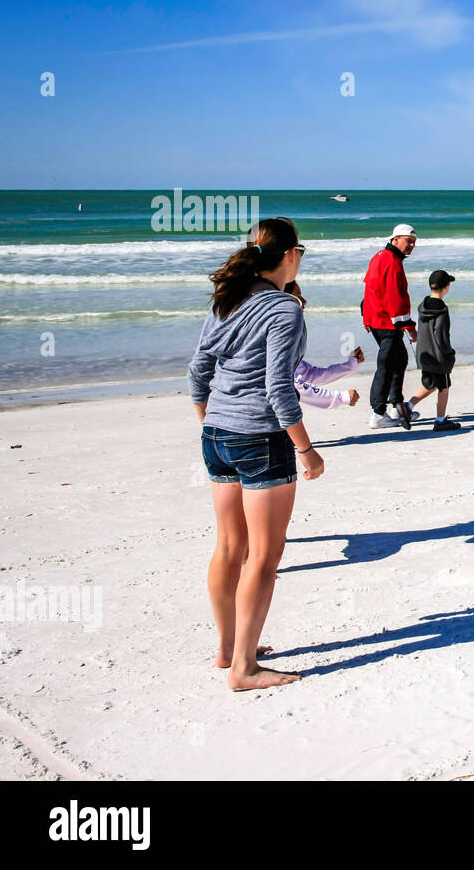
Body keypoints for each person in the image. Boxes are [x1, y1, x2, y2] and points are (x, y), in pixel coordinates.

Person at [188, 217, 319, 691]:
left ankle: (227, 649)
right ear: (290, 255)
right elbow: (279, 390)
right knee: (263, 555)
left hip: (218, 434)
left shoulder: (229, 298)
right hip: (262, 438)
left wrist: (213, 421)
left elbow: (197, 372)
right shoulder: (283, 309)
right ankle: (244, 668)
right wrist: (308, 450)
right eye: (300, 250)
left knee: (229, 547)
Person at [362, 223, 418, 429]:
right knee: (386, 365)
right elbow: (395, 299)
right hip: (387, 323)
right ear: (395, 240)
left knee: (399, 358)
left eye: (414, 242)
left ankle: (396, 405)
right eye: (408, 241)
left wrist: (366, 317)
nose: (411, 245)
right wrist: (409, 327)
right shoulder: (392, 262)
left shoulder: (379, 256)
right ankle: (378, 413)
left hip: (376, 320)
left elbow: (369, 288)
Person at [285, 280, 364, 409]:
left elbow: (307, 374)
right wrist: (341, 397)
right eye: (298, 296)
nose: (304, 301)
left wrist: (350, 365)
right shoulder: (280, 333)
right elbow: (289, 384)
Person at [410, 269, 461, 431]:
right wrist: (449, 353)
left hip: (423, 354)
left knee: (430, 384)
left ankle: (407, 406)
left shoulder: (422, 306)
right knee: (443, 386)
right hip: (439, 355)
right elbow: (441, 335)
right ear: (447, 287)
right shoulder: (442, 309)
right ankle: (440, 420)